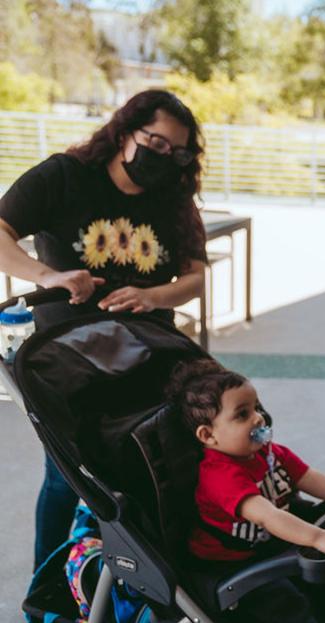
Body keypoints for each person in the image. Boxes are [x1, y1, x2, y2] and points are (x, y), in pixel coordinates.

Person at [0, 90, 210, 572]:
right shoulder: (65, 177)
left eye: (175, 152)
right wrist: (46, 276)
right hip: (71, 361)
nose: (163, 158)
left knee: (157, 464)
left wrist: (152, 296)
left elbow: (195, 278)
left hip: (151, 355)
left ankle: (150, 576)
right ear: (123, 130)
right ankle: (50, 589)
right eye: (154, 142)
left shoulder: (174, 198)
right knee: (67, 477)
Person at [166, 359, 325, 623]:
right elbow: (268, 515)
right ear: (208, 436)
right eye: (242, 415)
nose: (257, 419)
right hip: (231, 565)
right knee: (286, 603)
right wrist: (316, 536)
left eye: (255, 408)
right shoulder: (220, 476)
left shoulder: (266, 453)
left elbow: (307, 476)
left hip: (268, 544)